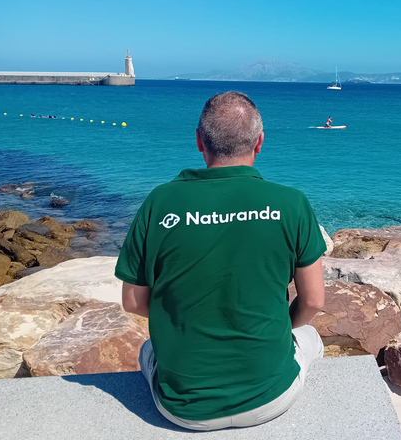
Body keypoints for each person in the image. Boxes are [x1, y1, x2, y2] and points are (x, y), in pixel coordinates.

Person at [116, 91, 327, 431]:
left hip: (184, 410)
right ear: (259, 143)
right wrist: (280, 329)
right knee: (311, 337)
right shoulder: (291, 203)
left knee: (147, 349)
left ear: (200, 141)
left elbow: (133, 302)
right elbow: (314, 301)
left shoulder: (159, 203)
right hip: (272, 399)